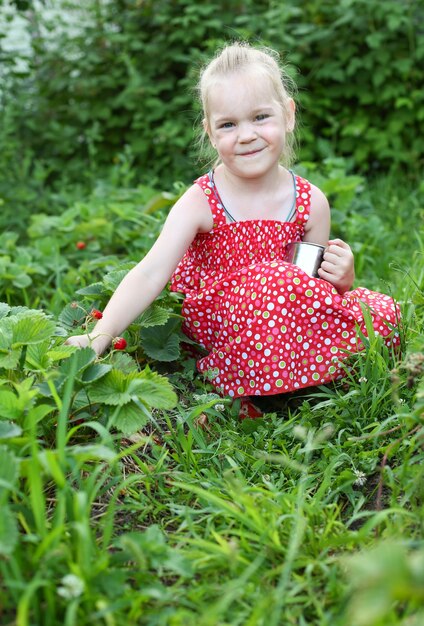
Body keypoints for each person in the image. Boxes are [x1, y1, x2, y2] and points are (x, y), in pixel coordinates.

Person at [66, 42, 400, 415]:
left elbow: (310, 292)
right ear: (210, 133)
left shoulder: (310, 201)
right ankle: (254, 385)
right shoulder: (202, 200)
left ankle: (287, 380)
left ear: (288, 115)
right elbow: (150, 272)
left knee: (380, 313)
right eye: (228, 124)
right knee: (275, 279)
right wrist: (100, 336)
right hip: (220, 328)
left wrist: (340, 280)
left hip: (281, 323)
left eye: (260, 117)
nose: (246, 135)